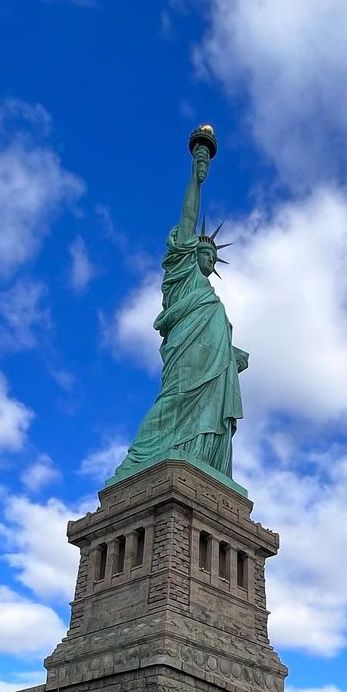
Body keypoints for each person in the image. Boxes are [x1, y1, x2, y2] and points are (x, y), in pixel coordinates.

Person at [112, 128, 247, 483]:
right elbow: (188, 220)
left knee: (209, 416)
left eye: (212, 254)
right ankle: (140, 459)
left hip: (213, 369)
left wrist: (232, 356)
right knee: (172, 401)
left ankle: (201, 462)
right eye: (203, 250)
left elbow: (216, 341)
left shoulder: (212, 300)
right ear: (189, 254)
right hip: (185, 360)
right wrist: (197, 173)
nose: (208, 255)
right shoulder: (182, 276)